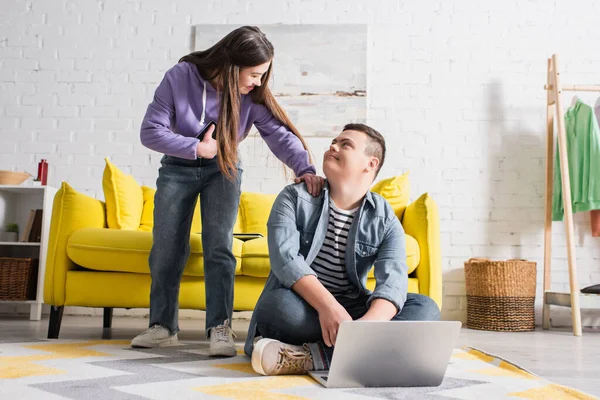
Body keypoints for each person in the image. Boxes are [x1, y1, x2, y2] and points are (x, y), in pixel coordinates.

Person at [132, 26, 325, 356]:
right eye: (254, 74)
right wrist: (196, 148)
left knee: (219, 247)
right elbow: (150, 132)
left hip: (225, 168)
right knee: (166, 246)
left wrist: (305, 168)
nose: (258, 82)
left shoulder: (250, 96)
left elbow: (279, 134)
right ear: (232, 64)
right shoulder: (180, 77)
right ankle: (162, 327)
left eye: (263, 75)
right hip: (177, 168)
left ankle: (219, 327)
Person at [245, 123, 441, 375]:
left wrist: (362, 330)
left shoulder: (384, 218)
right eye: (333, 142)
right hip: (306, 307)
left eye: (345, 144)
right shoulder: (294, 197)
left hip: (354, 312)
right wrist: (328, 308)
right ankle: (371, 355)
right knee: (277, 306)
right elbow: (285, 261)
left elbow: (394, 282)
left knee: (426, 309)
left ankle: (311, 358)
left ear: (370, 164)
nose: (333, 146)